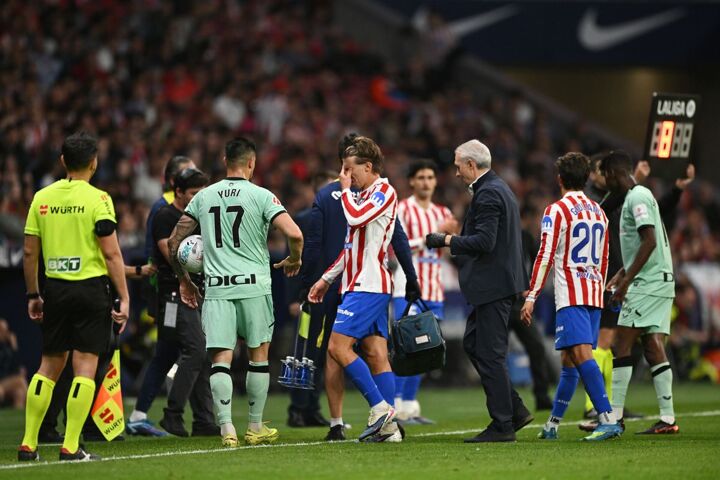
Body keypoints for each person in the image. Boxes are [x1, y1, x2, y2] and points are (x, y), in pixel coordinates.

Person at [167, 137, 303, 447]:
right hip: (254, 287)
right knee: (258, 357)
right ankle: (255, 426)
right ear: (252, 163)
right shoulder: (262, 196)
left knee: (220, 360)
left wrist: (185, 280)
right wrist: (295, 259)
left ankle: (226, 429)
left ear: (224, 160)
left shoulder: (203, 197)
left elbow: (174, 243)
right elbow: (295, 234)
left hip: (217, 290)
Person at [299, 133, 419, 441]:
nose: (345, 175)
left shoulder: (383, 192)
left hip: (368, 285)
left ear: (367, 166)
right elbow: (349, 248)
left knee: (336, 347)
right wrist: (325, 279)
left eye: (349, 169)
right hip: (358, 283)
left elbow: (354, 218)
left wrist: (343, 190)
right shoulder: (364, 195)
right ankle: (389, 431)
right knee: (376, 353)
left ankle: (381, 409)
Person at [18, 131, 130, 462]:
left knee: (48, 365)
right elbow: (111, 254)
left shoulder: (41, 198)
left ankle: (28, 443)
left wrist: (33, 294)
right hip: (90, 290)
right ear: (94, 163)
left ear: (63, 161)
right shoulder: (100, 199)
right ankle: (70, 446)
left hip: (55, 289)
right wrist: (124, 296)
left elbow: (29, 252)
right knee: (84, 368)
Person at [425, 139, 532, 443]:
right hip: (498, 285)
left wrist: (446, 240)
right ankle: (515, 409)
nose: (456, 173)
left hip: (494, 287)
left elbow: (485, 242)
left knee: (490, 354)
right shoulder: (499, 188)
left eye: (459, 166)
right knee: (474, 345)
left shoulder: (488, 194)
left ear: (471, 165)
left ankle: (502, 424)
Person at [521, 152, 623, 441]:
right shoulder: (598, 211)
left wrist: (531, 295)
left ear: (559, 179)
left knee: (581, 355)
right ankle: (552, 424)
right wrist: (600, 288)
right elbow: (604, 257)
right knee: (569, 360)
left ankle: (608, 419)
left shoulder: (556, 211)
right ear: (587, 178)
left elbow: (545, 255)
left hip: (571, 294)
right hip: (593, 294)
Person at [600, 150, 679, 434]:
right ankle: (668, 419)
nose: (605, 183)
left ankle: (614, 417)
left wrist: (626, 283)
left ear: (613, 174)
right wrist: (623, 273)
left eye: (605, 177)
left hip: (648, 283)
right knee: (652, 346)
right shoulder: (639, 197)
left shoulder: (637, 197)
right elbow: (643, 246)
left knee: (621, 344)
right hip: (658, 279)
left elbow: (649, 241)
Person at [127, 155, 196, 437]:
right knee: (183, 350)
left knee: (169, 352)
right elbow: (164, 252)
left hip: (172, 288)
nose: (195, 177)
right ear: (173, 182)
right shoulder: (164, 209)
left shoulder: (184, 206)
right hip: (168, 290)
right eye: (189, 173)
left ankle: (141, 414)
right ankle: (168, 411)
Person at [151, 167, 217, 437]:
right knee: (194, 350)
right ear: (178, 192)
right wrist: (189, 274)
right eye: (193, 193)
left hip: (197, 292)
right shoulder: (165, 216)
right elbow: (169, 252)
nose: (198, 197)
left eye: (202, 192)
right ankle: (172, 414)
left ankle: (203, 420)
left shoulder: (201, 216)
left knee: (202, 353)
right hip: (174, 295)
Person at [391, 159, 457, 424]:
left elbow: (449, 252)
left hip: (434, 289)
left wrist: (452, 238)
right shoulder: (403, 209)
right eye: (421, 177)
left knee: (427, 348)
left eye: (430, 177)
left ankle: (410, 406)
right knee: (406, 347)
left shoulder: (443, 212)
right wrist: (435, 234)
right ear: (411, 181)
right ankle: (395, 406)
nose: (426, 182)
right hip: (407, 288)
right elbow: (398, 246)